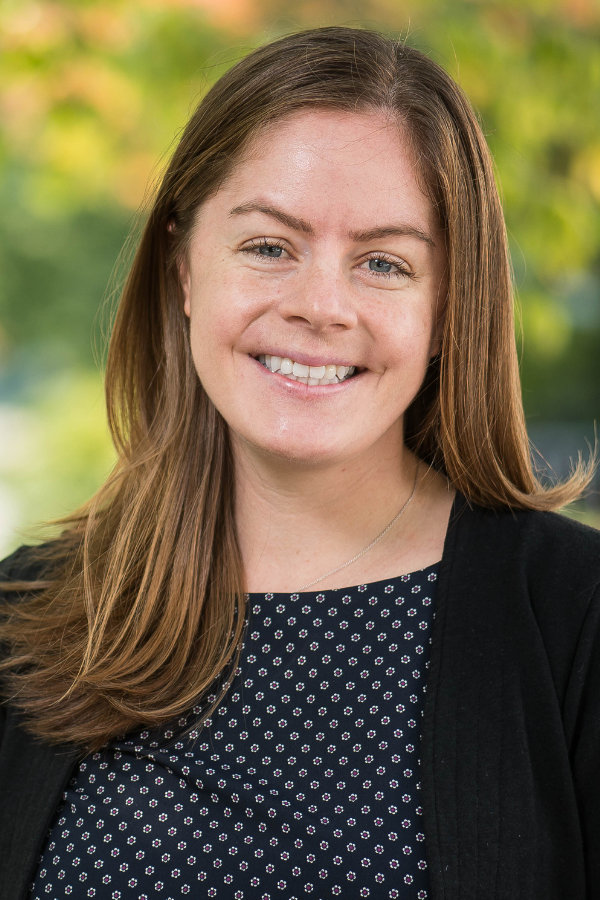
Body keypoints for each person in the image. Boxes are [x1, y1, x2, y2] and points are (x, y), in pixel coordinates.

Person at [1, 25, 599, 900]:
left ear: (449, 308)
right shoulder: (24, 616)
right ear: (182, 270)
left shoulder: (576, 617)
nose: (321, 305)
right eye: (269, 246)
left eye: (384, 262)